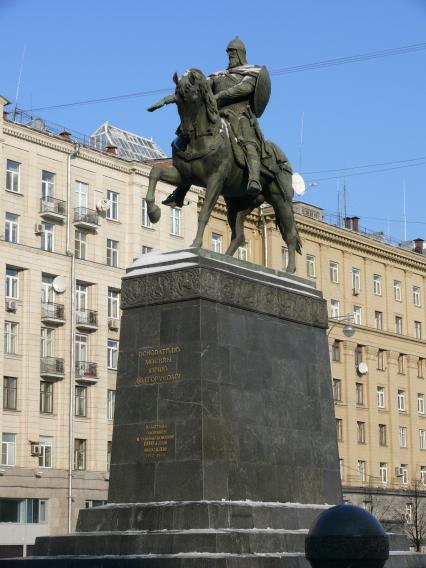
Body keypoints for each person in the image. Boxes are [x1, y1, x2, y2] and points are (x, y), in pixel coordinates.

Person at [149, 37, 271, 206]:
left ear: (241, 54)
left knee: (248, 143)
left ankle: (254, 179)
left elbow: (243, 89)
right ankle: (180, 191)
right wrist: (168, 98)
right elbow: (198, 88)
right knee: (190, 141)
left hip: (240, 114)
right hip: (217, 115)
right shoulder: (218, 75)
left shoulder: (251, 72)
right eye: (228, 53)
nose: (230, 56)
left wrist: (220, 95)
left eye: (233, 53)